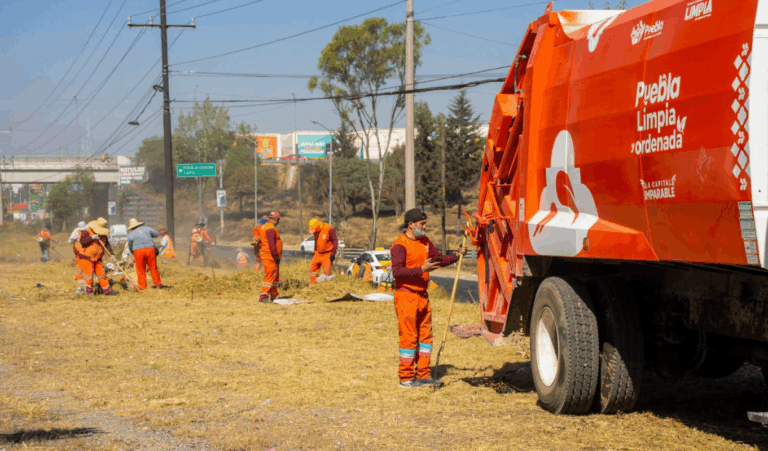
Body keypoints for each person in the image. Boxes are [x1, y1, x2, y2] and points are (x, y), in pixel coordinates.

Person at [390, 209, 466, 388]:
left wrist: (456, 256)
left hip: (423, 296)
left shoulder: (425, 242)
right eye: (422, 224)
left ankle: (424, 374)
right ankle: (406, 378)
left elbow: (438, 258)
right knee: (409, 337)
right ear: (411, 225)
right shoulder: (399, 245)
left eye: (425, 223)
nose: (425, 227)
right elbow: (397, 271)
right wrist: (421, 269)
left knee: (426, 337)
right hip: (406, 296)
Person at [77, 217, 118, 296]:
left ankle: (108, 291)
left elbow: (107, 245)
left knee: (102, 274)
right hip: (86, 257)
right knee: (89, 275)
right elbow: (82, 241)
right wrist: (91, 238)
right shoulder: (87, 232)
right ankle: (89, 292)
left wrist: (111, 254)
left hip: (98, 258)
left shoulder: (103, 235)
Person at [126, 218, 165, 290]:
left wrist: (133, 252)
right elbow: (156, 234)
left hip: (138, 251)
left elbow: (130, 245)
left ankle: (142, 286)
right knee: (153, 267)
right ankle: (158, 284)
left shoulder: (131, 234)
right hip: (150, 249)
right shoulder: (147, 228)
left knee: (140, 269)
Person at [258, 211, 283, 303]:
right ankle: (263, 296)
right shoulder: (270, 228)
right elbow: (271, 244)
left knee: (274, 276)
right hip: (270, 256)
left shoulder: (266, 226)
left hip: (270, 255)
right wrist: (275, 255)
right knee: (269, 275)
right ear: (276, 219)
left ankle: (274, 294)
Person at [307, 218, 338, 285]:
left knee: (327, 273)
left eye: (314, 230)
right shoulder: (315, 232)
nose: (314, 232)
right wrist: (315, 251)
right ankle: (313, 285)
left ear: (318, 227)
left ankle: (327, 287)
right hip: (318, 253)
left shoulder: (328, 229)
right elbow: (316, 241)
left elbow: (335, 241)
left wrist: (333, 253)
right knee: (312, 270)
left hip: (327, 254)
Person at [68, 221, 88, 293]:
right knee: (81, 264)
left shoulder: (78, 231)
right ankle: (80, 276)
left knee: (81, 264)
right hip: (81, 251)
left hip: (81, 250)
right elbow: (70, 241)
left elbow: (69, 241)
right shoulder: (77, 231)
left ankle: (79, 276)